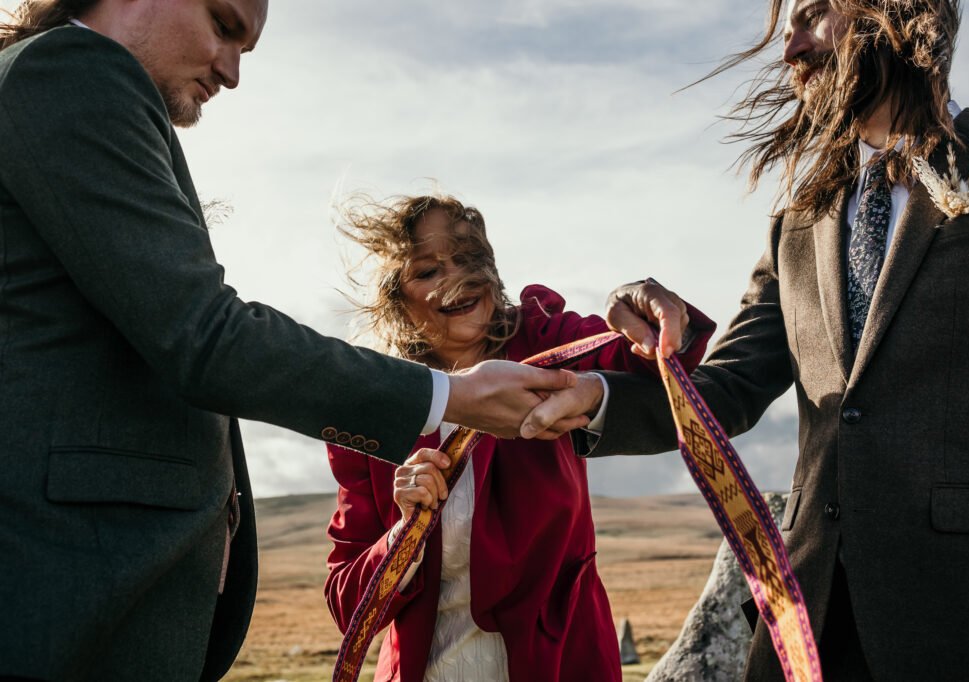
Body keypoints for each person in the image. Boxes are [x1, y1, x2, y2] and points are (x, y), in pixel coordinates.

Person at [0, 2, 582, 680]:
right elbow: (203, 336)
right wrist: (448, 398)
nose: (232, 72)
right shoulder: (71, 71)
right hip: (62, 598)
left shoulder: (63, 87)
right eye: (223, 25)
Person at [525, 0, 969, 679]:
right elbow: (728, 388)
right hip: (809, 621)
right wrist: (595, 397)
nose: (791, 50)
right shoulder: (798, 220)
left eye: (812, 16)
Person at [323, 194, 714, 681]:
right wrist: (404, 535)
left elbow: (651, 363)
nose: (456, 278)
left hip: (562, 664)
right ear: (395, 300)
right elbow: (347, 605)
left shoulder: (546, 340)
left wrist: (644, 310)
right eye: (427, 270)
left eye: (467, 257)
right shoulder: (373, 410)